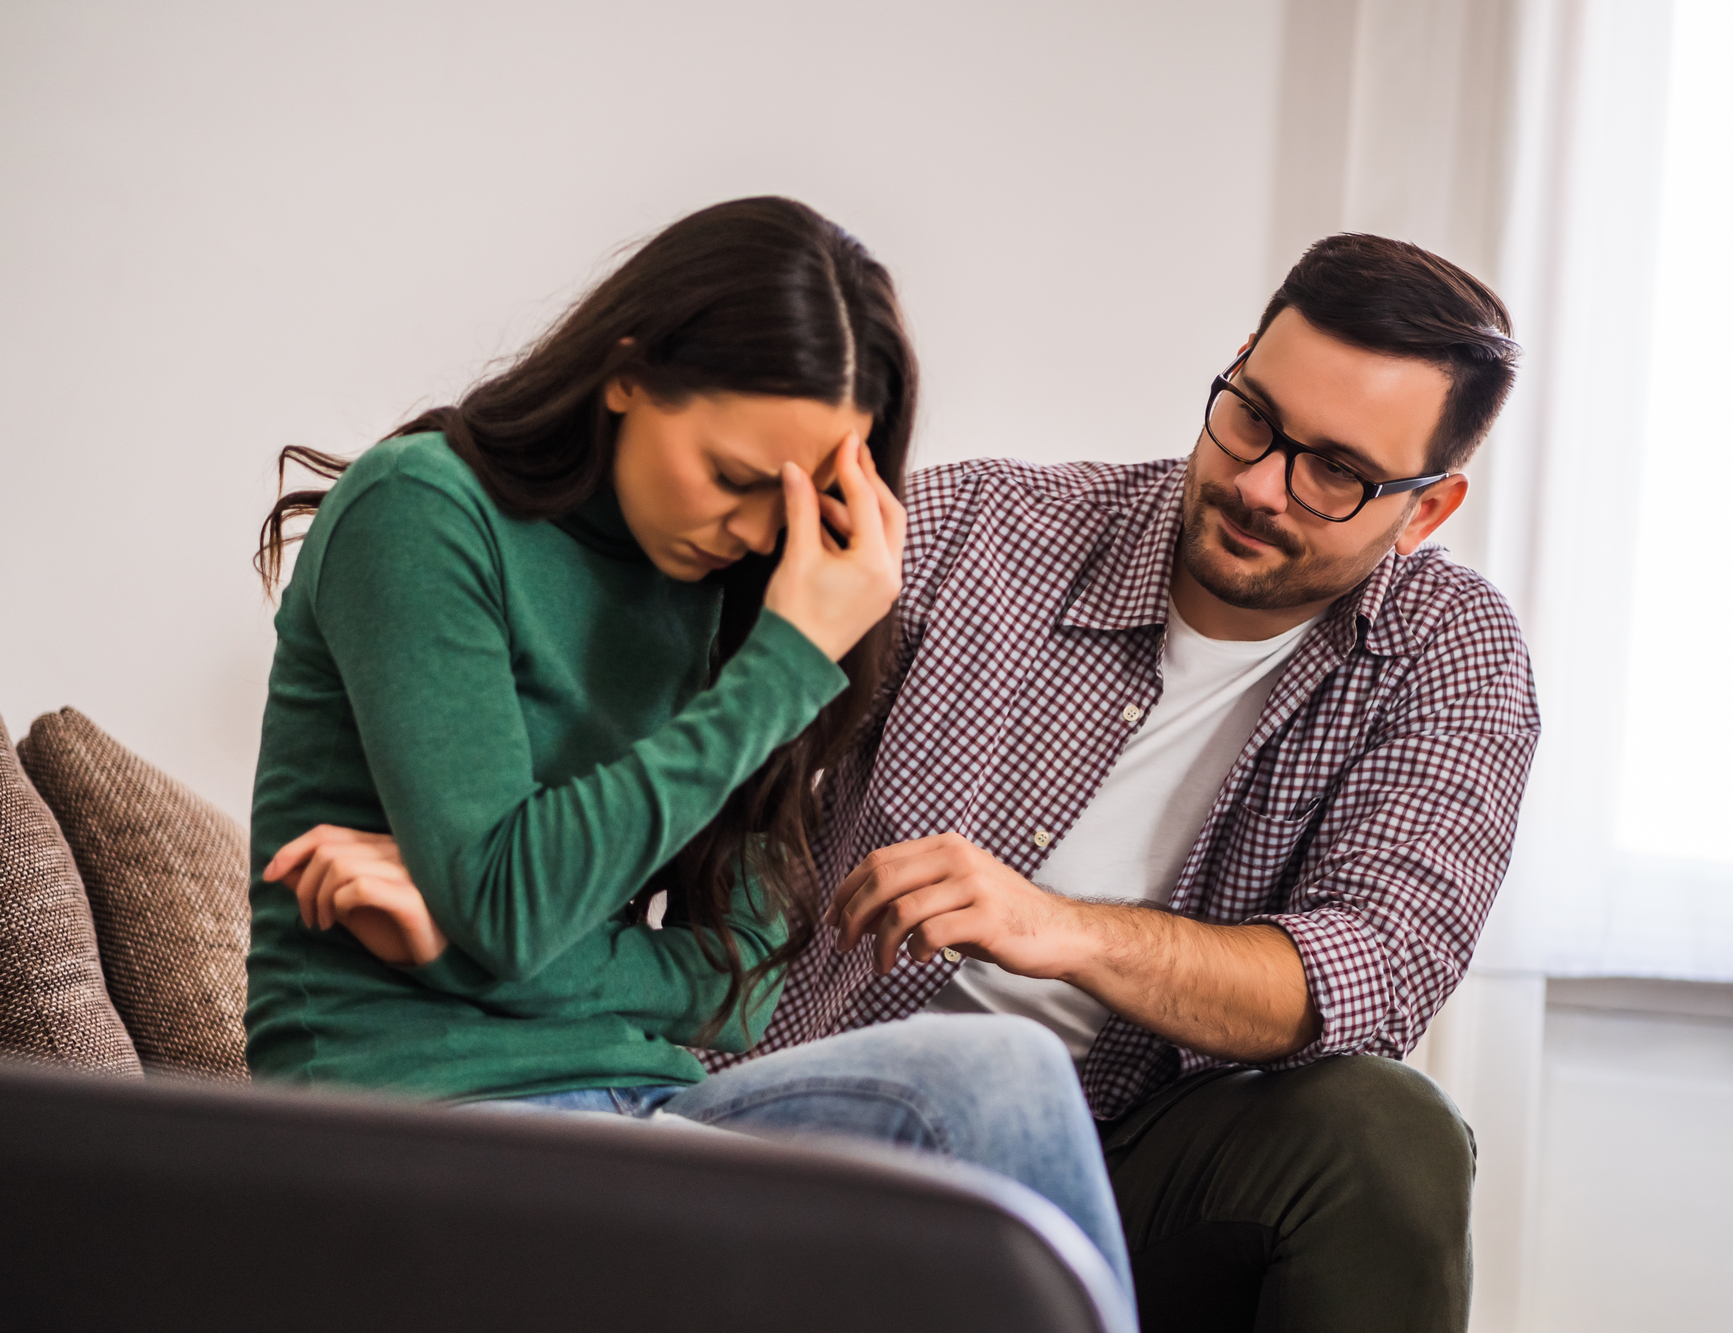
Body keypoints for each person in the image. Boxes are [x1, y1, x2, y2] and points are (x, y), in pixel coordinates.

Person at [309, 231, 1539, 1332]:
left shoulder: (1445, 656)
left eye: (1334, 473)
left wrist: (1059, 932)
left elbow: (1367, 972)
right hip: (830, 1110)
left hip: (1134, 1161)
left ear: (1427, 508)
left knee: (1387, 1132)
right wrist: (476, 886)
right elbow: (685, 833)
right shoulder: (959, 538)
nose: (1262, 482)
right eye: (1250, 418)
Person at [242, 196, 1132, 1299]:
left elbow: (735, 986)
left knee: (1004, 1070)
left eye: (795, 504)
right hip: (424, 1113)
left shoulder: (734, 594)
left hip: (643, 1101)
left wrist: (448, 943)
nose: (758, 534)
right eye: (733, 477)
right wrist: (787, 660)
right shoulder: (426, 513)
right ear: (627, 373)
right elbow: (513, 905)